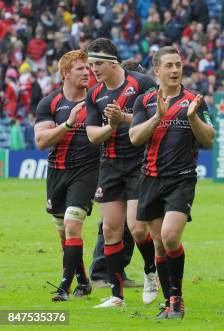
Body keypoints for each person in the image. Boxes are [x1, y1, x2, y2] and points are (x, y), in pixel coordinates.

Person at [130, 46, 215, 319]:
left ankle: (176, 299)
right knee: (158, 244)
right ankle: (168, 302)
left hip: (181, 179)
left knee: (169, 236)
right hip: (151, 178)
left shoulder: (194, 100)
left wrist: (192, 118)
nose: (176, 70)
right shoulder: (144, 102)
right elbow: (134, 138)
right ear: (157, 71)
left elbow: (209, 138)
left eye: (178, 65)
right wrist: (157, 117)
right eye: (169, 65)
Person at [85, 37, 158, 308]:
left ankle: (151, 272)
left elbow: (156, 118)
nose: (93, 69)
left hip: (140, 162)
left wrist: (124, 118)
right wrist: (112, 126)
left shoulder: (142, 84)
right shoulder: (94, 94)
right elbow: (93, 135)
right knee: (111, 230)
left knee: (137, 229)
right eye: (91, 64)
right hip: (111, 166)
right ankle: (117, 296)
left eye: (98, 64)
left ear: (114, 63)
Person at [34, 50, 98, 301]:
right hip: (57, 173)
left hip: (87, 172)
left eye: (87, 68)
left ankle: (64, 286)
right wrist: (68, 124)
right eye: (80, 68)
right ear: (65, 74)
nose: (87, 72)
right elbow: (41, 140)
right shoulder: (50, 103)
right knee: (65, 234)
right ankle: (83, 280)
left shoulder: (97, 101)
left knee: (73, 226)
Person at [88, 60, 147, 289]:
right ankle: (101, 272)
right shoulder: (101, 96)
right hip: (112, 163)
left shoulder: (140, 92)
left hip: (135, 163)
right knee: (112, 224)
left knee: (131, 224)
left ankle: (117, 272)